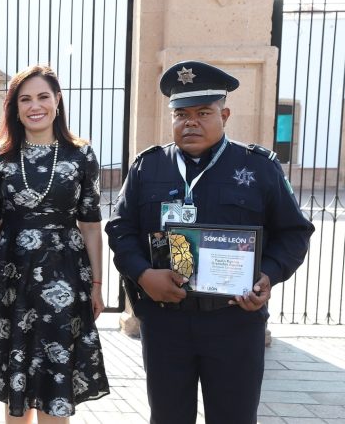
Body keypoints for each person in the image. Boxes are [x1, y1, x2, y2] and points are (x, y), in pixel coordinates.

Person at [105, 61, 315, 424]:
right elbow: (121, 229)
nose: (191, 122)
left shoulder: (259, 168)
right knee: (168, 417)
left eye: (204, 112)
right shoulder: (148, 168)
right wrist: (142, 275)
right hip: (165, 322)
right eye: (181, 113)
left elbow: (294, 233)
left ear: (225, 114)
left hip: (234, 320)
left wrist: (267, 275)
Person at [0, 65, 110, 422]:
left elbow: (91, 225)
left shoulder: (81, 155)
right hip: (11, 277)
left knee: (55, 375)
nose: (35, 106)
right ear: (15, 108)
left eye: (43, 97)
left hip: (65, 275)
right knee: (14, 375)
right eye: (25, 99)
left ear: (58, 101)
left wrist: (96, 284)